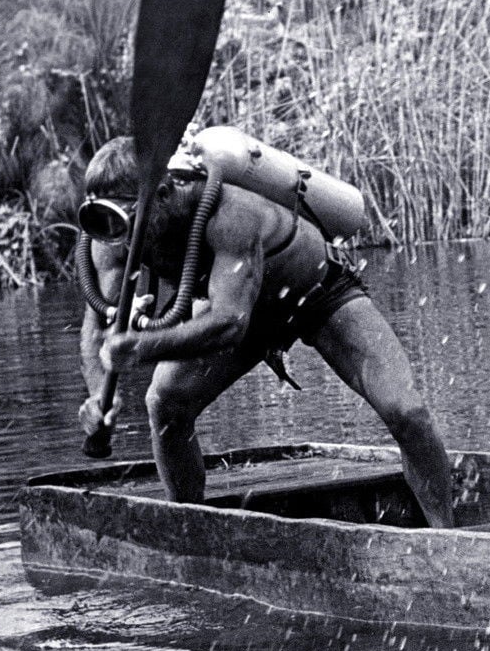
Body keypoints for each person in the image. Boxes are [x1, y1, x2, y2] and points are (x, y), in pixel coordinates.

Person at [75, 136, 455, 527]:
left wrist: (142, 347)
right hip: (241, 308)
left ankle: (446, 537)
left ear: (166, 192)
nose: (117, 234)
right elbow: (97, 325)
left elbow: (229, 324)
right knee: (165, 403)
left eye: (128, 217)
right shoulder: (110, 232)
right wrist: (98, 400)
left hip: (316, 295)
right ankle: (190, 529)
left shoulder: (229, 213)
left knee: (407, 411)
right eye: (107, 219)